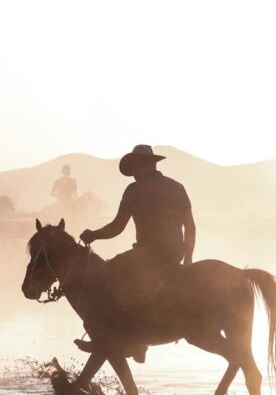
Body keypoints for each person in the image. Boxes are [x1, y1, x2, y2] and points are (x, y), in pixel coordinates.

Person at [77, 145, 196, 362]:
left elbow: (117, 228)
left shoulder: (134, 190)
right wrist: (187, 259)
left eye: (134, 168)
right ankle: (135, 341)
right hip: (174, 255)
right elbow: (191, 227)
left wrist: (93, 235)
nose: (133, 173)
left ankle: (114, 338)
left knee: (100, 277)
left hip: (148, 254)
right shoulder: (176, 187)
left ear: (141, 166)